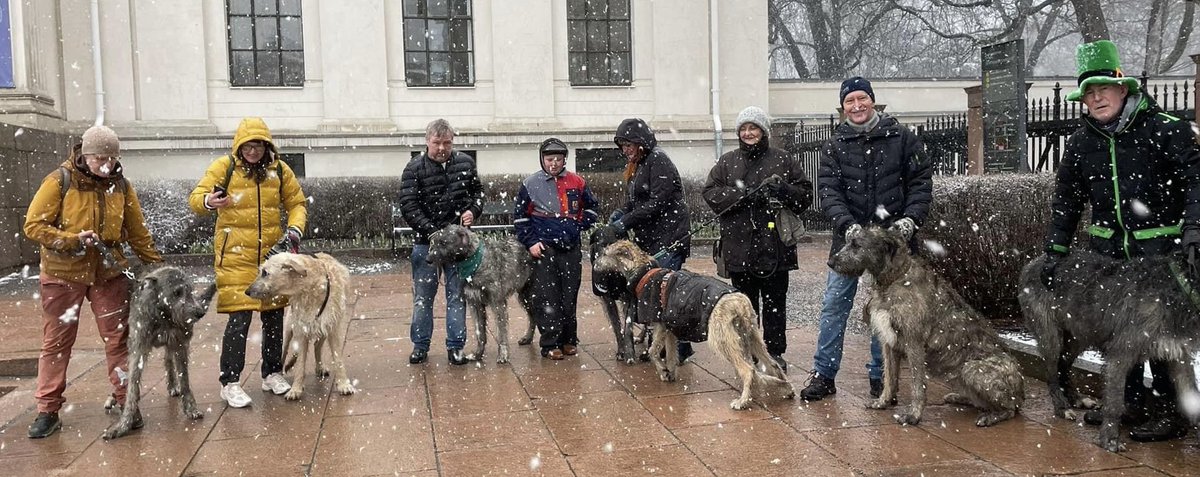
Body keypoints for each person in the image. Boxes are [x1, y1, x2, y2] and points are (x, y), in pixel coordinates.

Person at [1041, 40, 1200, 443]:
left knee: (1162, 338)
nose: (1096, 99)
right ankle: (1130, 403)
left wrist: (1194, 229)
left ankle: (1170, 411)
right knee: (1117, 334)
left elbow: (1197, 182)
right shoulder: (1081, 143)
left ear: (1122, 88)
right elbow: (1067, 200)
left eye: (1103, 90)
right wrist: (1055, 249)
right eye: (1088, 93)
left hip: (1161, 256)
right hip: (1109, 259)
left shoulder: (1167, 129)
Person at [23, 125, 164, 438]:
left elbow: (137, 231)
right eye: (100, 158)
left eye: (112, 159)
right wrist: (71, 240)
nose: (107, 165)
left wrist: (158, 268)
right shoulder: (59, 180)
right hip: (62, 273)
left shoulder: (121, 186)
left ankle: (127, 402)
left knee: (118, 340)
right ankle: (47, 410)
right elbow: (34, 226)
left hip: (108, 272)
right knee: (57, 342)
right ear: (85, 155)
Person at [801, 76, 933, 401]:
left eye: (862, 98)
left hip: (891, 248)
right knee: (835, 306)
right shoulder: (834, 145)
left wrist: (910, 219)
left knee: (886, 310)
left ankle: (881, 375)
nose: (857, 105)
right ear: (843, 107)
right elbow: (829, 192)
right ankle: (824, 373)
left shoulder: (902, 138)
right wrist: (847, 225)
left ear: (872, 101)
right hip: (849, 243)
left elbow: (921, 183)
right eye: (850, 101)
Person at [189, 117, 308, 408]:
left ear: (267, 147)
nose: (252, 152)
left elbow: (297, 203)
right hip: (235, 258)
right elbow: (196, 198)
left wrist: (294, 229)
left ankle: (272, 373)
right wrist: (208, 202)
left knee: (273, 317)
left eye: (258, 146)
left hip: (271, 259)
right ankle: (229, 382)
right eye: (247, 146)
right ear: (238, 146)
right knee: (239, 319)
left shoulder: (279, 171)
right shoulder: (224, 167)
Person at [702, 106, 812, 372]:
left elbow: (805, 196)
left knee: (775, 304)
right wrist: (743, 194)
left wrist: (783, 189)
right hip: (739, 247)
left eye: (754, 128)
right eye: (744, 128)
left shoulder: (783, 159)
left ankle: (774, 352)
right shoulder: (727, 162)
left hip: (775, 247)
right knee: (743, 306)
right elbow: (711, 193)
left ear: (764, 131)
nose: (748, 133)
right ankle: (748, 352)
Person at [398, 118, 484, 366]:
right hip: (426, 244)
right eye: (437, 143)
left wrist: (473, 210)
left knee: (457, 296)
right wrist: (432, 232)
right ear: (427, 141)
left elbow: (478, 193)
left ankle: (456, 346)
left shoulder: (465, 163)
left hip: (459, 248)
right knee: (423, 298)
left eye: (447, 143)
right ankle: (420, 345)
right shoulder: (414, 168)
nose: (442, 148)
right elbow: (409, 206)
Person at [608, 118, 694, 361]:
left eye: (629, 145)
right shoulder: (638, 165)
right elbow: (636, 201)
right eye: (622, 146)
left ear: (641, 142)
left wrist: (626, 222)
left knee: (667, 295)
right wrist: (620, 213)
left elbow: (658, 202)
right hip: (652, 239)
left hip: (669, 238)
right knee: (656, 295)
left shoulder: (657, 160)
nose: (625, 150)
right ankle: (663, 345)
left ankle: (679, 348)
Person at [513, 138, 600, 360]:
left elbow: (592, 208)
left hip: (570, 249)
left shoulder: (577, 182)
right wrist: (531, 242)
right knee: (547, 298)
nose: (553, 163)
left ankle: (569, 339)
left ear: (564, 160)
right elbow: (520, 218)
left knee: (569, 296)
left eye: (558, 159)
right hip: (544, 250)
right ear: (542, 159)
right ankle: (550, 343)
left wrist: (578, 225)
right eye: (549, 159)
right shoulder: (530, 184)